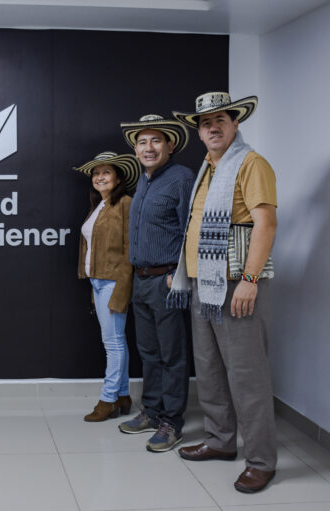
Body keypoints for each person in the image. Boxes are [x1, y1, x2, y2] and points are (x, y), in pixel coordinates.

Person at [169, 92, 278, 493]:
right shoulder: (208, 169)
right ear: (198, 132)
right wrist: (184, 272)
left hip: (236, 282)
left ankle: (263, 460)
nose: (212, 127)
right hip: (204, 283)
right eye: (204, 123)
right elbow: (196, 225)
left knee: (247, 376)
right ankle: (220, 441)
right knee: (211, 369)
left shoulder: (250, 163)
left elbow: (265, 224)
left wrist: (249, 281)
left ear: (235, 123)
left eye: (220, 120)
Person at [117, 114, 195, 452]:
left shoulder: (181, 178)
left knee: (171, 354)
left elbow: (190, 231)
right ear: (136, 150)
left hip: (166, 280)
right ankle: (151, 411)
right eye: (143, 142)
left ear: (170, 145)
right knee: (148, 351)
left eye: (156, 140)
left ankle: (171, 423)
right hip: (141, 279)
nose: (149, 148)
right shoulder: (144, 182)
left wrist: (176, 275)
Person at [73, 152, 140, 422]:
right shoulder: (99, 206)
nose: (100, 177)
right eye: (96, 173)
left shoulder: (126, 204)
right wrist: (93, 287)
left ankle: (108, 399)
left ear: (118, 177)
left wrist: (122, 288)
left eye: (106, 172)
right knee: (115, 340)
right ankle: (123, 395)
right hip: (98, 281)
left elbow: (130, 251)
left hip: (115, 281)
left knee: (112, 343)